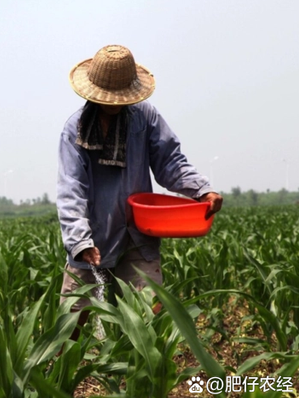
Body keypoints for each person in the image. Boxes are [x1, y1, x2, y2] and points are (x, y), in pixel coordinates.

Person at [57, 45, 223, 340]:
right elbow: (72, 187)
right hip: (92, 237)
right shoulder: (76, 129)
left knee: (147, 319)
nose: (114, 103)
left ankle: (141, 384)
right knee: (70, 323)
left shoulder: (144, 118)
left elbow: (170, 162)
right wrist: (80, 240)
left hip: (137, 235)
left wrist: (201, 189)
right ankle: (60, 381)